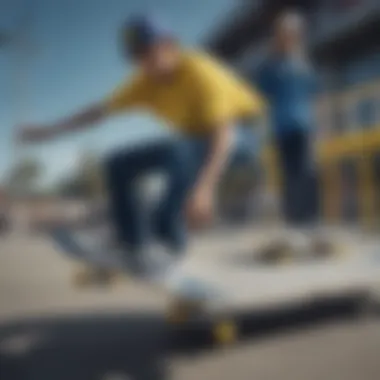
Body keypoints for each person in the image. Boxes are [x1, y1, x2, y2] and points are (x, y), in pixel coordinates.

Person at [20, 14, 264, 275]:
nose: (146, 63)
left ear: (170, 46)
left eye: (150, 52)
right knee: (118, 162)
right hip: (193, 143)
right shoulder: (143, 85)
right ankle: (133, 242)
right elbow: (97, 112)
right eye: (137, 57)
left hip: (242, 137)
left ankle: (169, 243)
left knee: (178, 152)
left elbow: (223, 135)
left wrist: (205, 188)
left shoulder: (200, 71)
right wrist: (49, 131)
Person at [254, 11, 319, 227]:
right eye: (284, 34)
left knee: (306, 171)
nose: (288, 37)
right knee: (289, 174)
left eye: (292, 34)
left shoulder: (303, 65)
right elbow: (261, 90)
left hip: (304, 125)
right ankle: (294, 221)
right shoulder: (271, 66)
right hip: (282, 127)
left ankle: (309, 219)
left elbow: (314, 93)